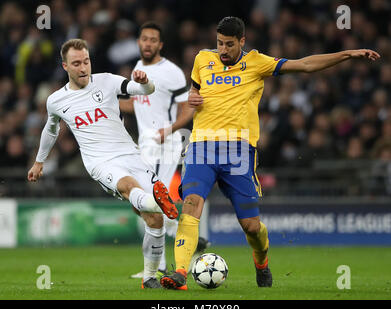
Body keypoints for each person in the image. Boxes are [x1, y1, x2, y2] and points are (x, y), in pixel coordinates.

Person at [160, 16, 380, 290]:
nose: (224, 50)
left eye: (229, 44)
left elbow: (305, 65)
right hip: (201, 147)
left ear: (242, 41)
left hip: (238, 152)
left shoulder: (257, 62)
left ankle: (261, 263)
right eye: (219, 44)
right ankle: (180, 273)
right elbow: (194, 93)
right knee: (191, 203)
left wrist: (347, 54)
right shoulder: (202, 59)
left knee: (251, 226)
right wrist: (192, 100)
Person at [27, 38, 179, 289]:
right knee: (129, 187)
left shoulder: (107, 80)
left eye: (86, 61)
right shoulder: (56, 100)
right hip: (100, 162)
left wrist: (145, 82)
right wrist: (39, 162)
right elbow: (50, 130)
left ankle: (150, 276)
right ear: (65, 66)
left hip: (131, 154)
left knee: (155, 221)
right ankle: (158, 202)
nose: (83, 67)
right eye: (76, 63)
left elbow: (144, 91)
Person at [119, 22, 209, 278]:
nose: (148, 43)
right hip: (146, 144)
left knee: (151, 199)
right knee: (143, 204)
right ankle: (190, 237)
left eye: (153, 40)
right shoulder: (138, 68)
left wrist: (169, 130)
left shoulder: (171, 72)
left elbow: (188, 107)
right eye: (144, 38)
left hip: (165, 144)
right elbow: (138, 106)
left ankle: (158, 266)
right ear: (138, 41)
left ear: (160, 44)